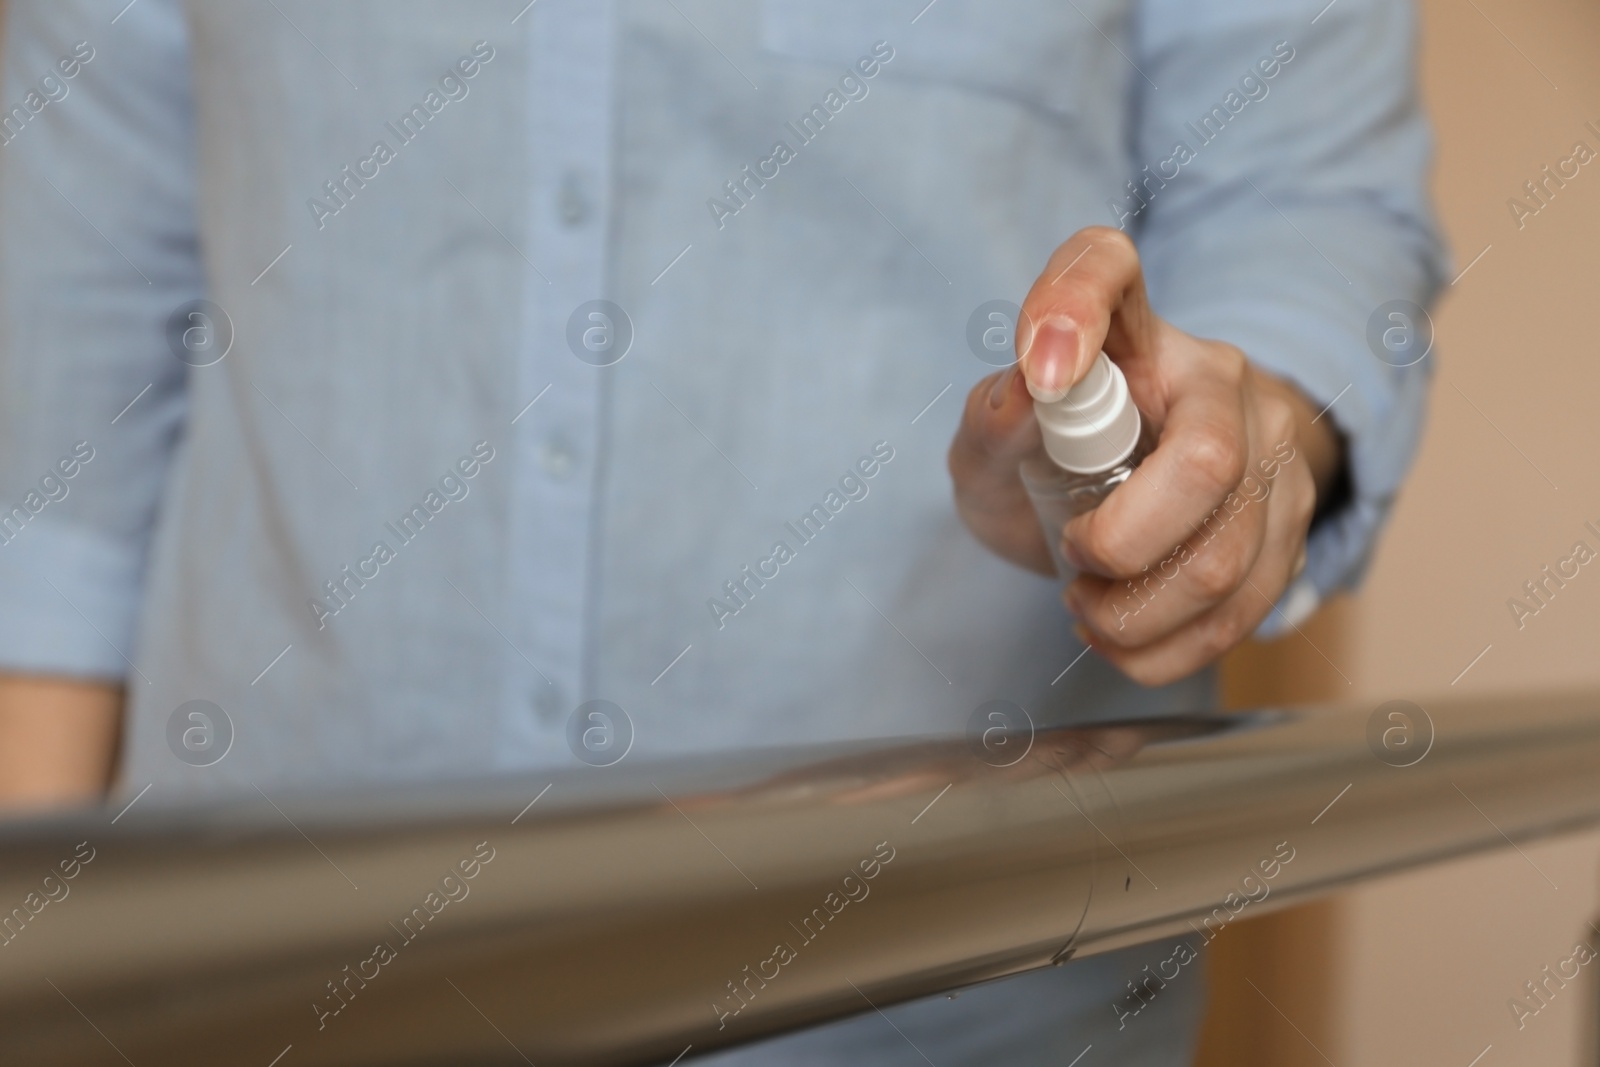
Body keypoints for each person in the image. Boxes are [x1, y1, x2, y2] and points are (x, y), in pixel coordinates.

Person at [0, 1, 1442, 1063]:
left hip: (949, 1013)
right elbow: (63, 414)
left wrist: (1228, 452)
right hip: (272, 994)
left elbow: (1306, 203)